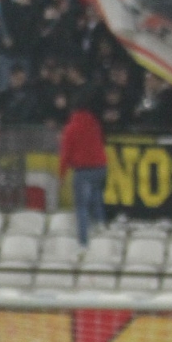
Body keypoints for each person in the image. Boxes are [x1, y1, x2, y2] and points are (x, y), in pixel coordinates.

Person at [59, 99, 108, 246]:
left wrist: (61, 175)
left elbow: (66, 154)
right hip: (100, 167)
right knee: (97, 198)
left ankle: (83, 241)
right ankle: (101, 226)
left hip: (83, 170)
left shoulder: (70, 128)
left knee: (82, 206)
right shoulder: (95, 123)